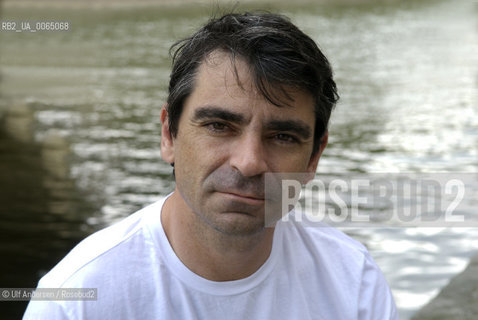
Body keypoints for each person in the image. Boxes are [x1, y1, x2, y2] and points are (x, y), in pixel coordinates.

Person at [24, 12, 398, 319]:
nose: (249, 162)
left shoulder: (354, 285)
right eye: (219, 126)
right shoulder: (74, 302)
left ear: (314, 156)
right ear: (169, 135)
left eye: (283, 136)